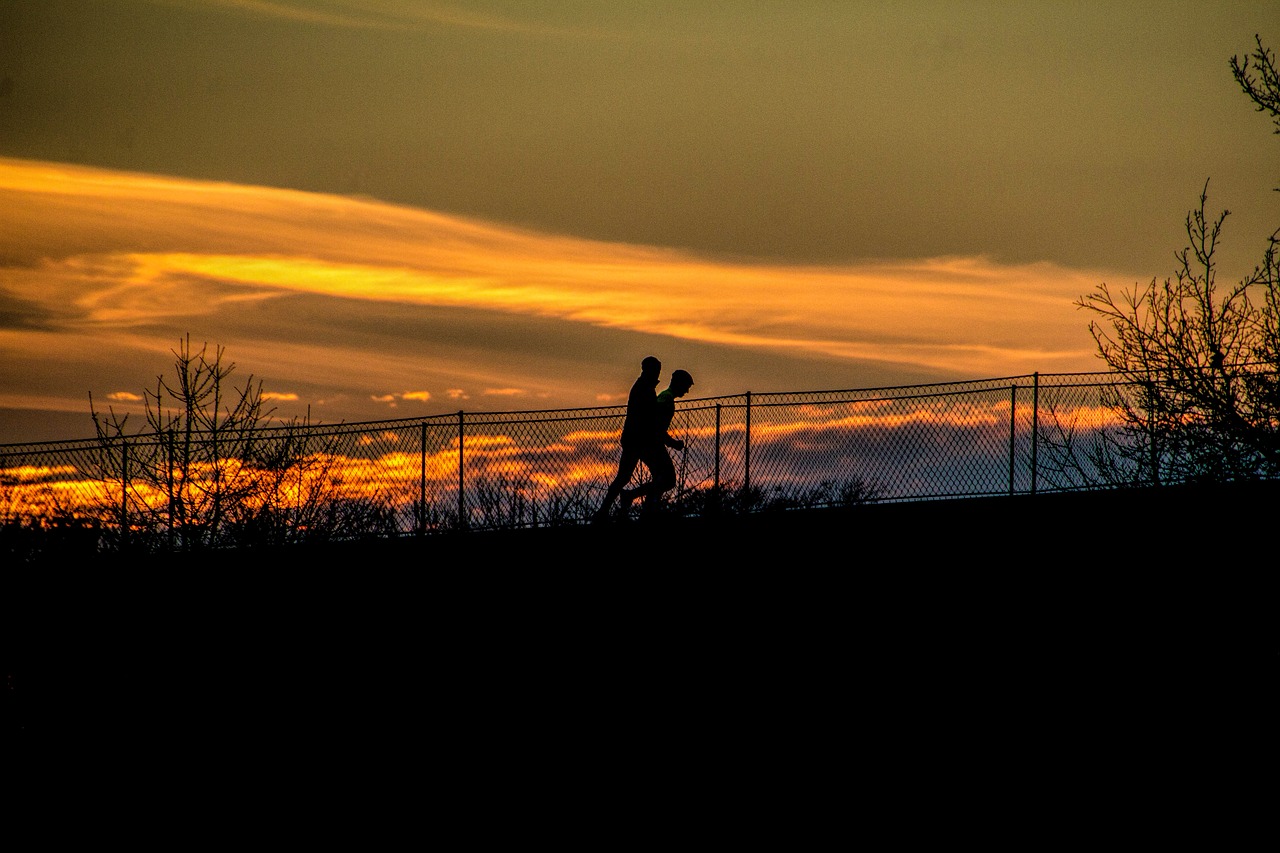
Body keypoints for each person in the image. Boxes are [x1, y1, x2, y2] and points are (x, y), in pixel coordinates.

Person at [593, 356, 664, 522]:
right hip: (638, 440)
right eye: (655, 370)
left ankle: (605, 511)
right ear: (647, 370)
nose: (657, 374)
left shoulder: (645, 387)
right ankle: (643, 511)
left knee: (626, 477)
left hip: (636, 439)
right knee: (658, 476)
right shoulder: (643, 388)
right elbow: (646, 416)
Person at [620, 368, 694, 516]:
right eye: (686, 386)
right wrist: (673, 443)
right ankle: (631, 496)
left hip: (651, 443)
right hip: (652, 444)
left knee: (660, 480)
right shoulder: (665, 399)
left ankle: (648, 511)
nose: (686, 391)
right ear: (678, 383)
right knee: (668, 480)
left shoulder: (665, 397)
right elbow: (656, 425)